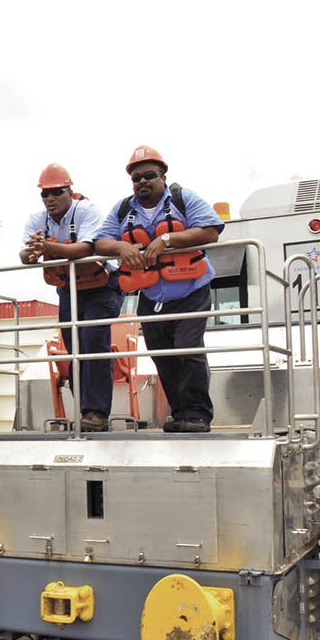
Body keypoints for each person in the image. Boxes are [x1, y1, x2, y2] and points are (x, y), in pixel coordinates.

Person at [94, 145, 223, 433]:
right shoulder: (123, 209)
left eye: (149, 175)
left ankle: (198, 415)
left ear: (163, 176)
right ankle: (180, 414)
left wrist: (166, 239)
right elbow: (100, 242)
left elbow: (211, 230)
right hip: (151, 296)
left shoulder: (183, 198)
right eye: (136, 178)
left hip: (191, 290)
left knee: (188, 349)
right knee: (162, 355)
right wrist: (121, 247)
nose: (142, 182)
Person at [22, 163, 124, 432]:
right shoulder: (37, 220)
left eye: (56, 192)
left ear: (70, 191)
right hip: (69, 289)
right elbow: (24, 255)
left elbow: (86, 248)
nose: (50, 199)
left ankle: (97, 413)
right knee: (73, 350)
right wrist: (31, 252)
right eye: (45, 194)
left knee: (94, 342)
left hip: (102, 287)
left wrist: (46, 246)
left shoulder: (87, 211)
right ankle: (85, 412)